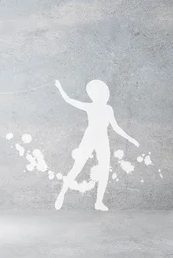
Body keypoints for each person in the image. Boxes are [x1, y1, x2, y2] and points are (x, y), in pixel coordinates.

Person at [53, 79, 139, 211]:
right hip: (89, 138)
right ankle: (62, 194)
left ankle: (99, 202)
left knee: (104, 171)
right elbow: (69, 100)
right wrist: (59, 87)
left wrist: (130, 138)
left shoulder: (108, 109)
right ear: (94, 94)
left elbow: (115, 127)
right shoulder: (90, 106)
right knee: (77, 167)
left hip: (103, 140)